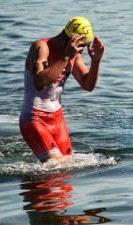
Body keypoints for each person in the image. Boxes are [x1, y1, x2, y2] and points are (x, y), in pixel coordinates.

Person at [19, 16, 105, 163]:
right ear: (71, 40)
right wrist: (65, 57)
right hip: (35, 119)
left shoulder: (74, 54)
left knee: (66, 172)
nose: (82, 51)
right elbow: (39, 83)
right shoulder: (41, 47)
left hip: (57, 119)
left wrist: (95, 61)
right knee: (58, 169)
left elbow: (87, 85)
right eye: (81, 45)